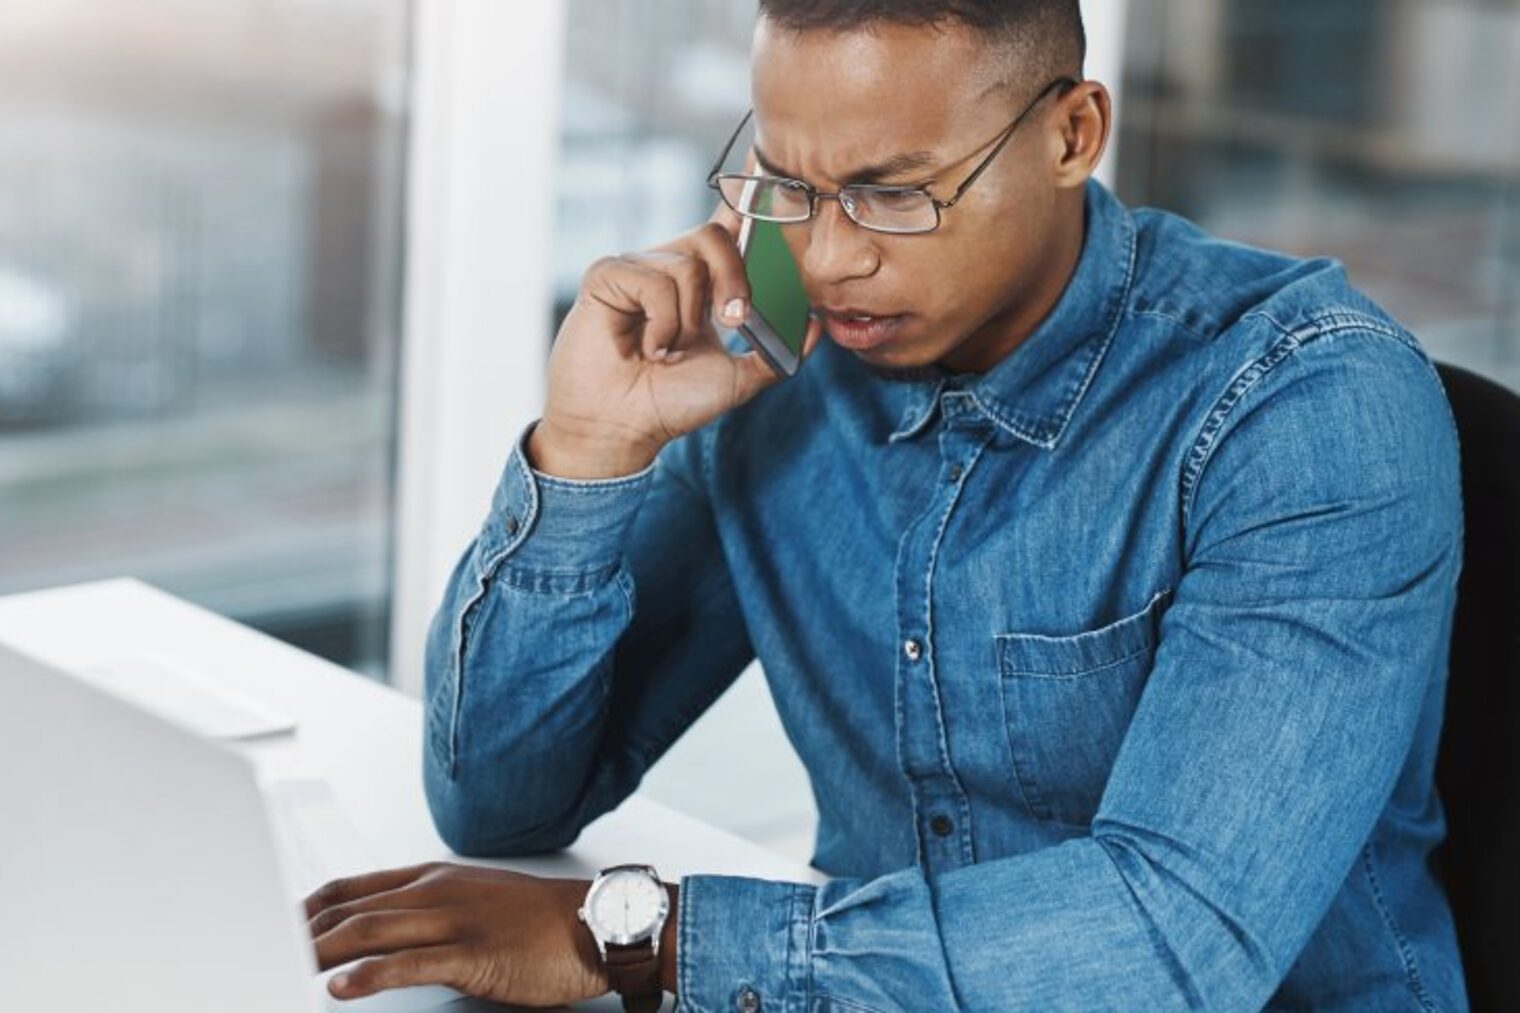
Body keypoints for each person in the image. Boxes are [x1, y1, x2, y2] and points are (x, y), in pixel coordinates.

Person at [302, 2, 1469, 1009]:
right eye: (786, 185)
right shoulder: (777, 361)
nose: (823, 259)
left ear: (1073, 135)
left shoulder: (1303, 401)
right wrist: (588, 453)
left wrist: (630, 936)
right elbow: (502, 802)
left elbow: (1174, 939)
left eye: (890, 195)